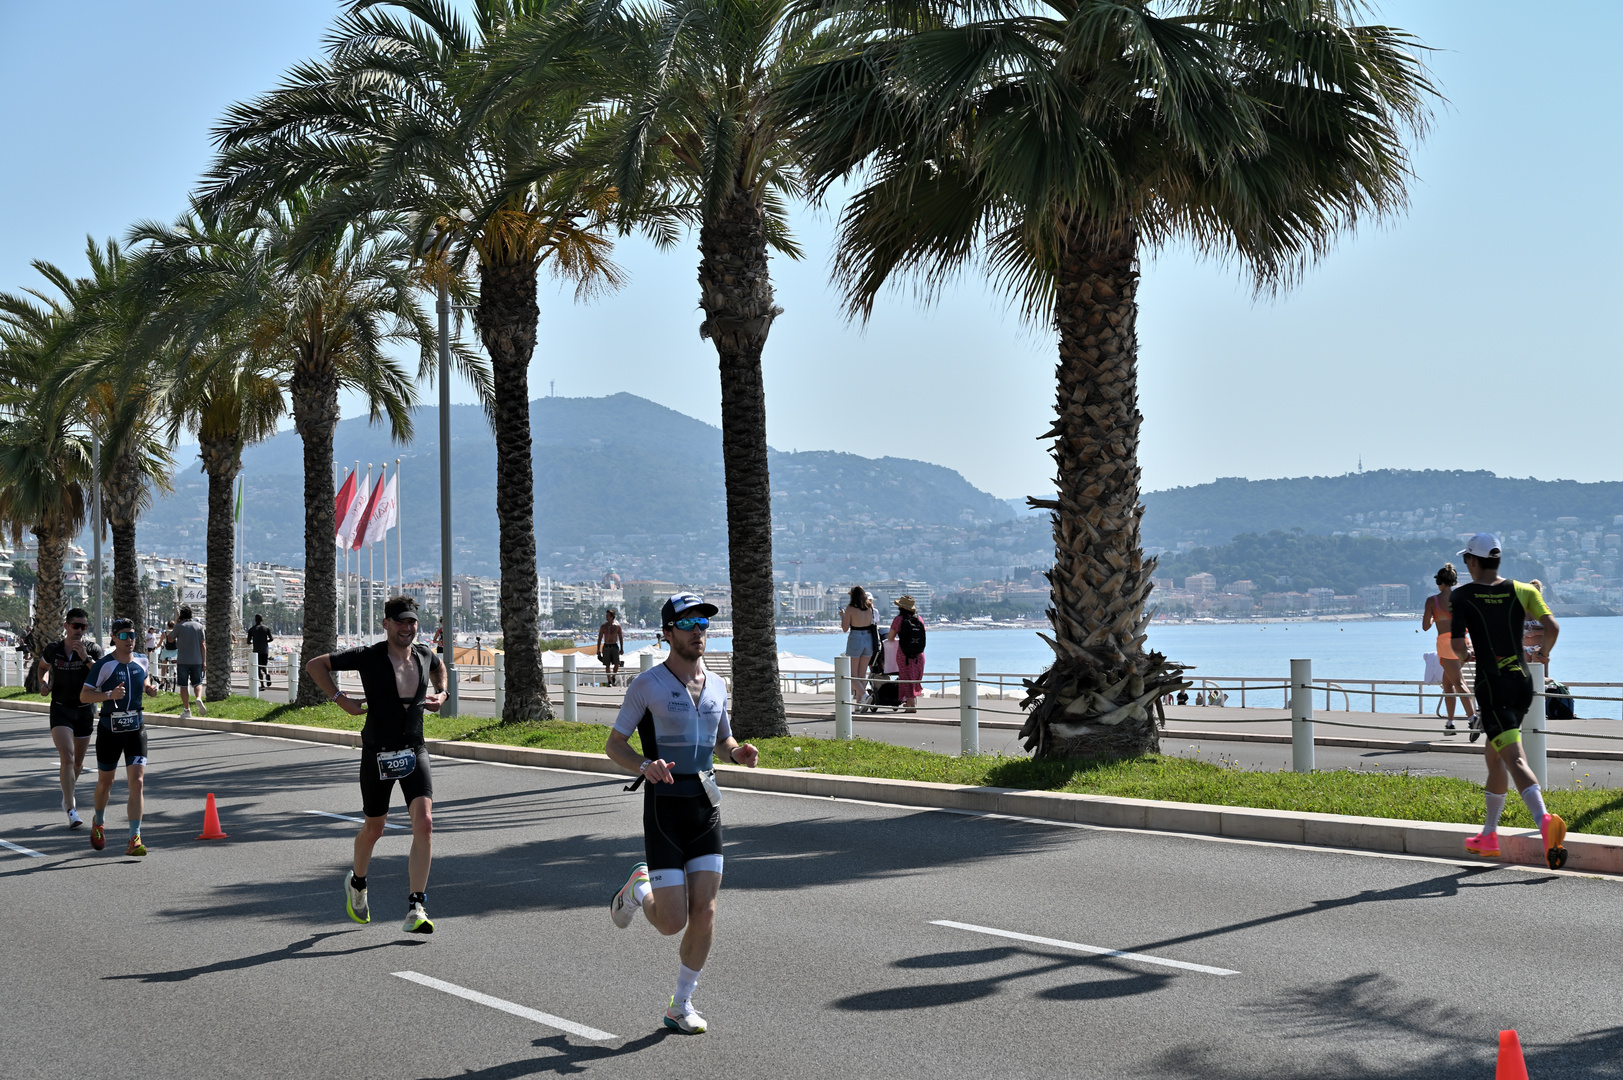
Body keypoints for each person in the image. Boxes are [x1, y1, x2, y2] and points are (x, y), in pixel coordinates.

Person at [605, 592, 759, 1035]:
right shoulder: (648, 685)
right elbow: (614, 744)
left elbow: (722, 740)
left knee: (706, 911)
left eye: (703, 624)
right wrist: (643, 764)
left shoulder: (716, 683)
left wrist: (738, 753)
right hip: (665, 810)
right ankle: (639, 888)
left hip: (705, 805)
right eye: (688, 623)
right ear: (668, 632)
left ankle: (681, 1002)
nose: (698, 631)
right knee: (672, 923)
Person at [305, 596, 447, 934]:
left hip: (414, 749)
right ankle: (357, 881)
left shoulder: (425, 655)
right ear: (386, 624)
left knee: (424, 823)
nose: (407, 628)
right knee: (375, 829)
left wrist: (441, 696)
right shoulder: (368, 656)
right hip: (378, 754)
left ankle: (416, 906)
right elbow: (315, 665)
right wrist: (343, 701)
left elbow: (440, 668)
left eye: (411, 622)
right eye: (400, 622)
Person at [1448, 533, 1567, 868]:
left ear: (1472, 561)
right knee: (1496, 756)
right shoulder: (1524, 590)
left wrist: (1468, 652)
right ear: (1497, 560)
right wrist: (1543, 653)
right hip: (1522, 684)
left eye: (1466, 560)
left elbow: (1458, 645)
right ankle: (1488, 835)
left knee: (1513, 759)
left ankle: (1544, 821)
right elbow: (1552, 626)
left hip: (1492, 686)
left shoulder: (1462, 596)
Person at [81, 618, 161, 856]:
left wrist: (149, 688)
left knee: (137, 781)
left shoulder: (142, 660)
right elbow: (85, 696)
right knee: (106, 782)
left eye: (133, 635)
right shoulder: (103, 665)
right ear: (114, 638)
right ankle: (98, 821)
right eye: (125, 636)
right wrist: (109, 694)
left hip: (136, 728)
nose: (130, 640)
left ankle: (134, 838)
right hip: (110, 730)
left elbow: (143, 678)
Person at [37, 608, 102, 829]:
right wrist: (44, 683)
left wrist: (86, 658)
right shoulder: (54, 649)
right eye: (76, 626)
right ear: (66, 626)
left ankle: (67, 794)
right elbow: (43, 668)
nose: (79, 630)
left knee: (78, 763)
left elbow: (101, 676)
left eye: (83, 626)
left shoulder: (92, 649)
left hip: (84, 710)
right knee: (67, 755)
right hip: (61, 709)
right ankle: (71, 809)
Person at [1422, 563, 1476, 736]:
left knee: (1459, 683)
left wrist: (1433, 619)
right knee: (1448, 682)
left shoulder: (1433, 601)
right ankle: (1450, 723)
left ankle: (1473, 718)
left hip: (1447, 644)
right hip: (1463, 641)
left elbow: (1425, 626)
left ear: (1439, 582)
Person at [886, 595, 927, 714]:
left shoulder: (898, 619)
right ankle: (909, 702)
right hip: (919, 655)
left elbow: (890, 638)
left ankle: (911, 705)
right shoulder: (919, 619)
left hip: (904, 654)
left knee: (906, 678)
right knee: (914, 679)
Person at [841, 586, 878, 713]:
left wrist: (843, 616)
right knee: (862, 674)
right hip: (868, 638)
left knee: (852, 674)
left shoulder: (850, 608)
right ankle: (859, 704)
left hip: (856, 637)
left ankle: (864, 696)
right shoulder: (870, 607)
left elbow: (845, 628)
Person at [173, 605, 206, 718]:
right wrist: (204, 661)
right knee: (198, 683)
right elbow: (203, 645)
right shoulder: (199, 626)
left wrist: (177, 623)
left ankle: (187, 710)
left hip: (182, 660)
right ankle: (198, 698)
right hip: (197, 660)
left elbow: (170, 639)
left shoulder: (179, 626)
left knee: (183, 685)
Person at [247, 614, 275, 692]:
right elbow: (271, 639)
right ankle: (266, 673)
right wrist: (265, 641)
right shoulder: (266, 628)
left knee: (258, 668)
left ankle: (262, 685)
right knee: (263, 665)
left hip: (256, 650)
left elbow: (248, 642)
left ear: (255, 620)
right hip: (265, 650)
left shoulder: (251, 629)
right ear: (262, 620)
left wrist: (254, 641)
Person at [597, 608, 625, 686]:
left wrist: (622, 648)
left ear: (612, 616)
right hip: (606, 646)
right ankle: (609, 681)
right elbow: (599, 638)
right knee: (607, 664)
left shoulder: (617, 626)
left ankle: (613, 676)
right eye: (606, 615)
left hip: (614, 646)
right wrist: (598, 649)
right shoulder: (603, 626)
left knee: (617, 663)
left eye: (608, 616)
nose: (606, 617)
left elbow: (621, 638)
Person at [157, 620, 179, 693]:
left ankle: (162, 681)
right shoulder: (176, 632)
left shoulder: (164, 633)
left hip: (166, 652)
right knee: (175, 663)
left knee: (164, 666)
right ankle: (175, 670)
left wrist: (156, 647)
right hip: (175, 652)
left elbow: (160, 643)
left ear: (167, 626)